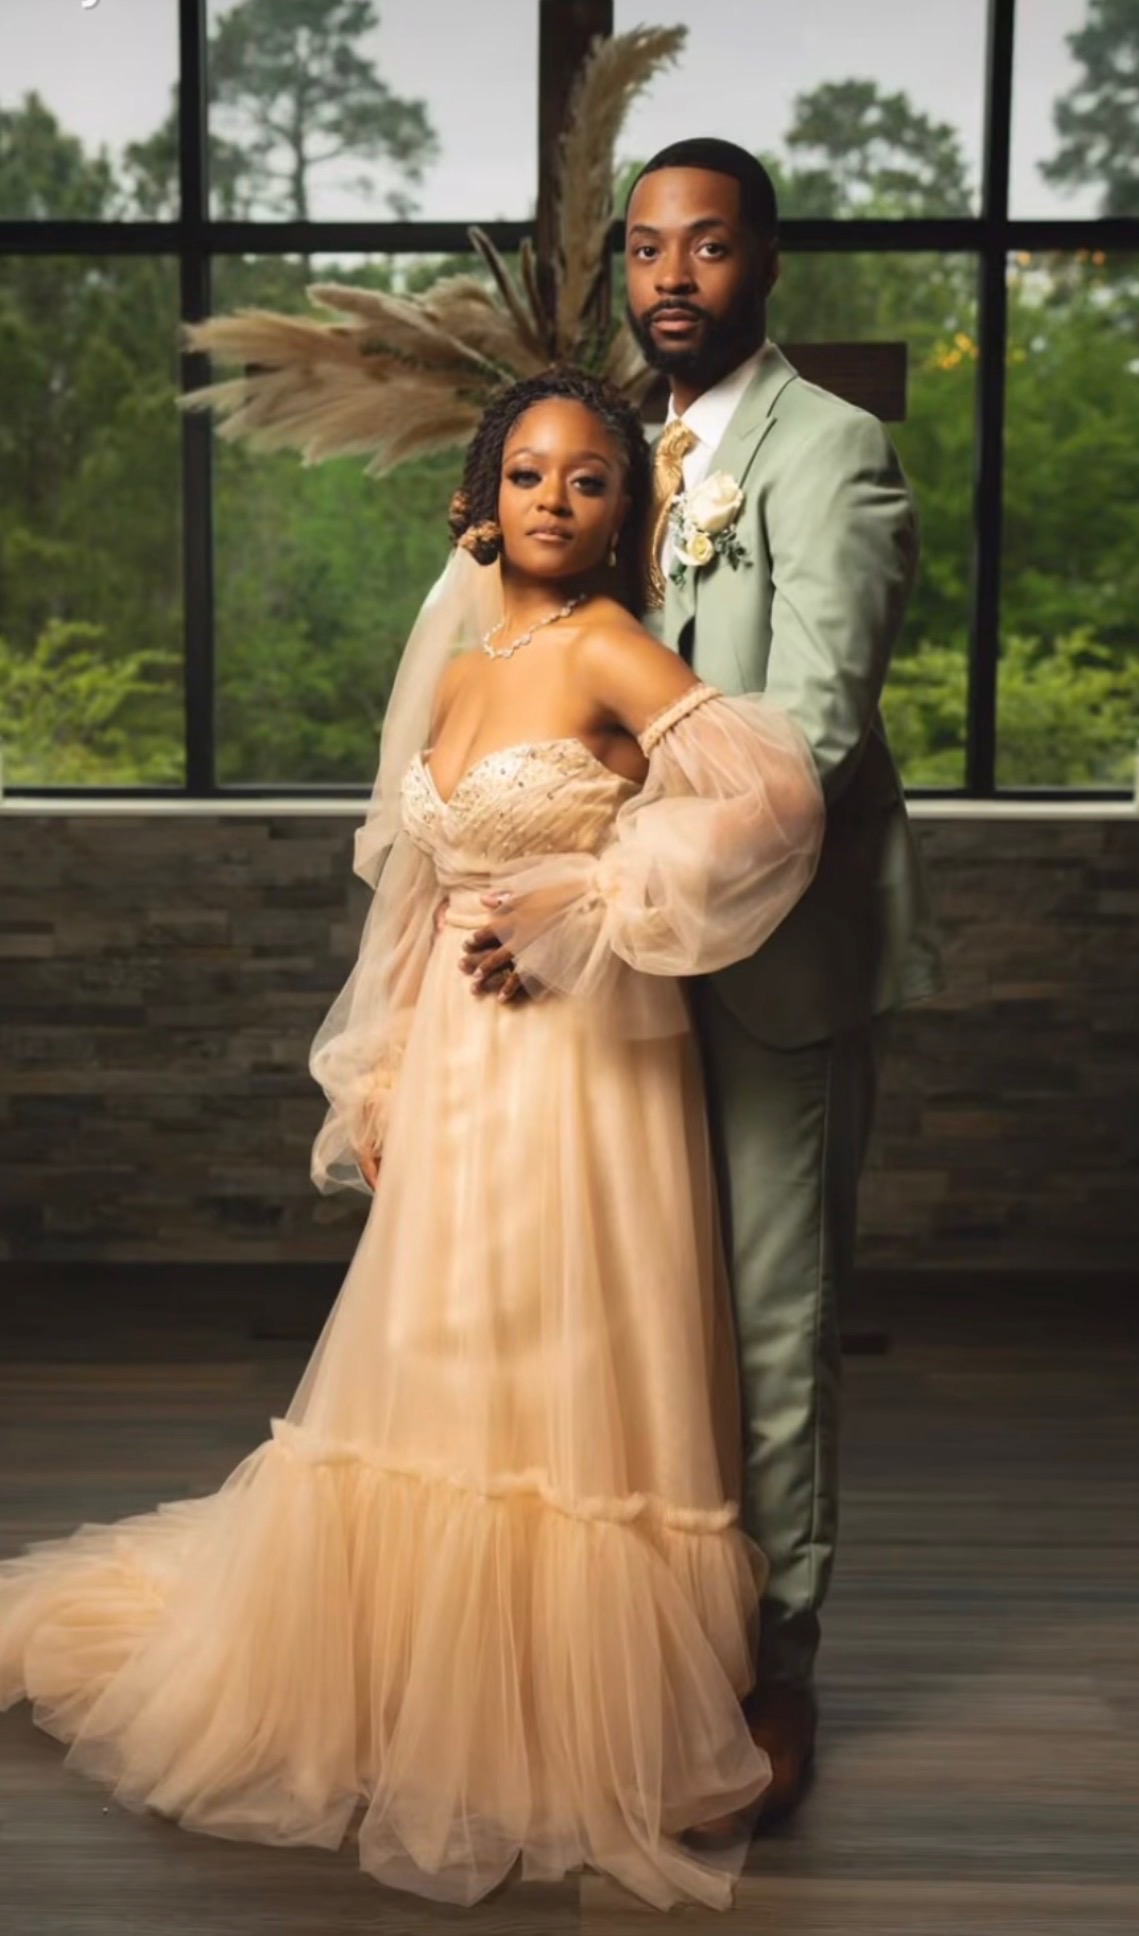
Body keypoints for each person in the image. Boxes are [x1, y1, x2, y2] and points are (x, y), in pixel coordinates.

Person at [0, 366, 826, 1912]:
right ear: (483, 493)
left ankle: (551, 1711)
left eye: (591, 480)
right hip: (456, 1065)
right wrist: (374, 1081)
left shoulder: (607, 648)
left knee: (563, 1361)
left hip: (585, 1064)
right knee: (442, 1350)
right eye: (529, 474)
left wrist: (590, 896)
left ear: (623, 512)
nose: (556, 501)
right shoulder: (459, 668)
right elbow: (411, 890)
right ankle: (413, 1683)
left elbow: (770, 792)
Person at [611, 135, 943, 1823]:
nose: (673, 277)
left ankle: (776, 1674)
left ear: (766, 266)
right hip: (621, 970)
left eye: (710, 245)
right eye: (646, 250)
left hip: (772, 954)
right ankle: (646, 1642)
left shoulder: (833, 450)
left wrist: (614, 869)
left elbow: (811, 729)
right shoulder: (605, 448)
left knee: (770, 1322)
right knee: (635, 1323)